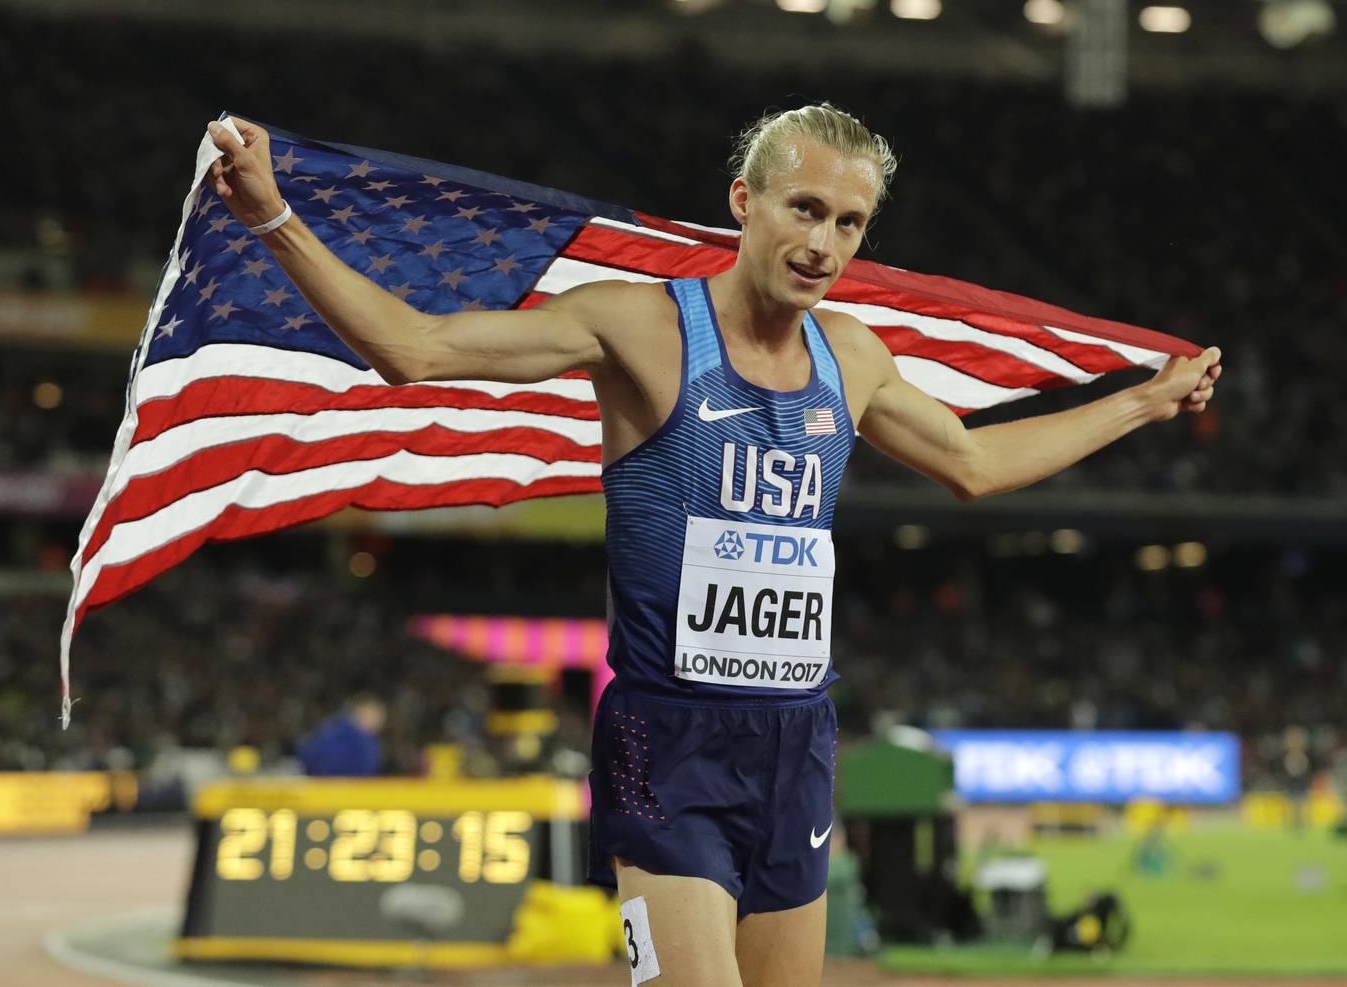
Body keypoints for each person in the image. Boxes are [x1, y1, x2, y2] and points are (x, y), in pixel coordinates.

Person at [204, 104, 1222, 987]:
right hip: (667, 744)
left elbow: (974, 464)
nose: (825, 241)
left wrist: (1141, 403)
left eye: (850, 222)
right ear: (745, 202)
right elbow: (414, 349)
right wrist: (273, 218)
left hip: (796, 743)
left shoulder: (853, 358)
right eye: (805, 208)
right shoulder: (638, 329)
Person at [296, 694, 387, 777]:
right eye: (377, 717)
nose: (380, 724)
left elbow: (305, 754)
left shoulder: (331, 726)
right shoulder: (363, 740)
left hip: (322, 787)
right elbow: (368, 769)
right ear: (363, 712)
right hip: (346, 789)